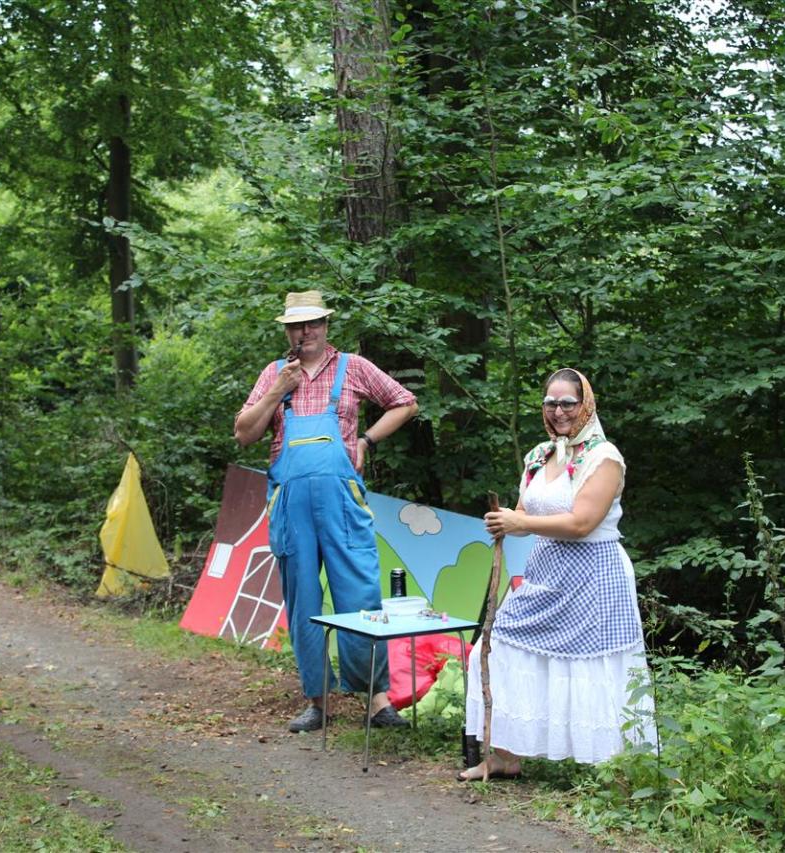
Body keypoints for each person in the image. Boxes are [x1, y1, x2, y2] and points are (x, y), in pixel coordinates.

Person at [234, 291, 419, 732]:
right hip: (291, 503)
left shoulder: (352, 367)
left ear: (325, 325)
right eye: (297, 325)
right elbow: (243, 434)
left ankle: (376, 702)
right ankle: (318, 701)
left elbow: (405, 402)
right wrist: (278, 391)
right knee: (303, 600)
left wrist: (366, 441)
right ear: (287, 331)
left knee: (359, 594)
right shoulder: (274, 374)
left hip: (342, 500)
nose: (306, 331)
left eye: (313, 323)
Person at [459, 368, 656, 781]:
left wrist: (521, 523)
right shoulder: (539, 456)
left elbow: (582, 523)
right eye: (551, 403)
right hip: (545, 573)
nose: (559, 411)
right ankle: (504, 756)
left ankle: (615, 767)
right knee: (493, 650)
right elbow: (525, 512)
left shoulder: (604, 457)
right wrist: (505, 521)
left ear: (586, 405)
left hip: (594, 576)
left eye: (568, 402)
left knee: (594, 669)